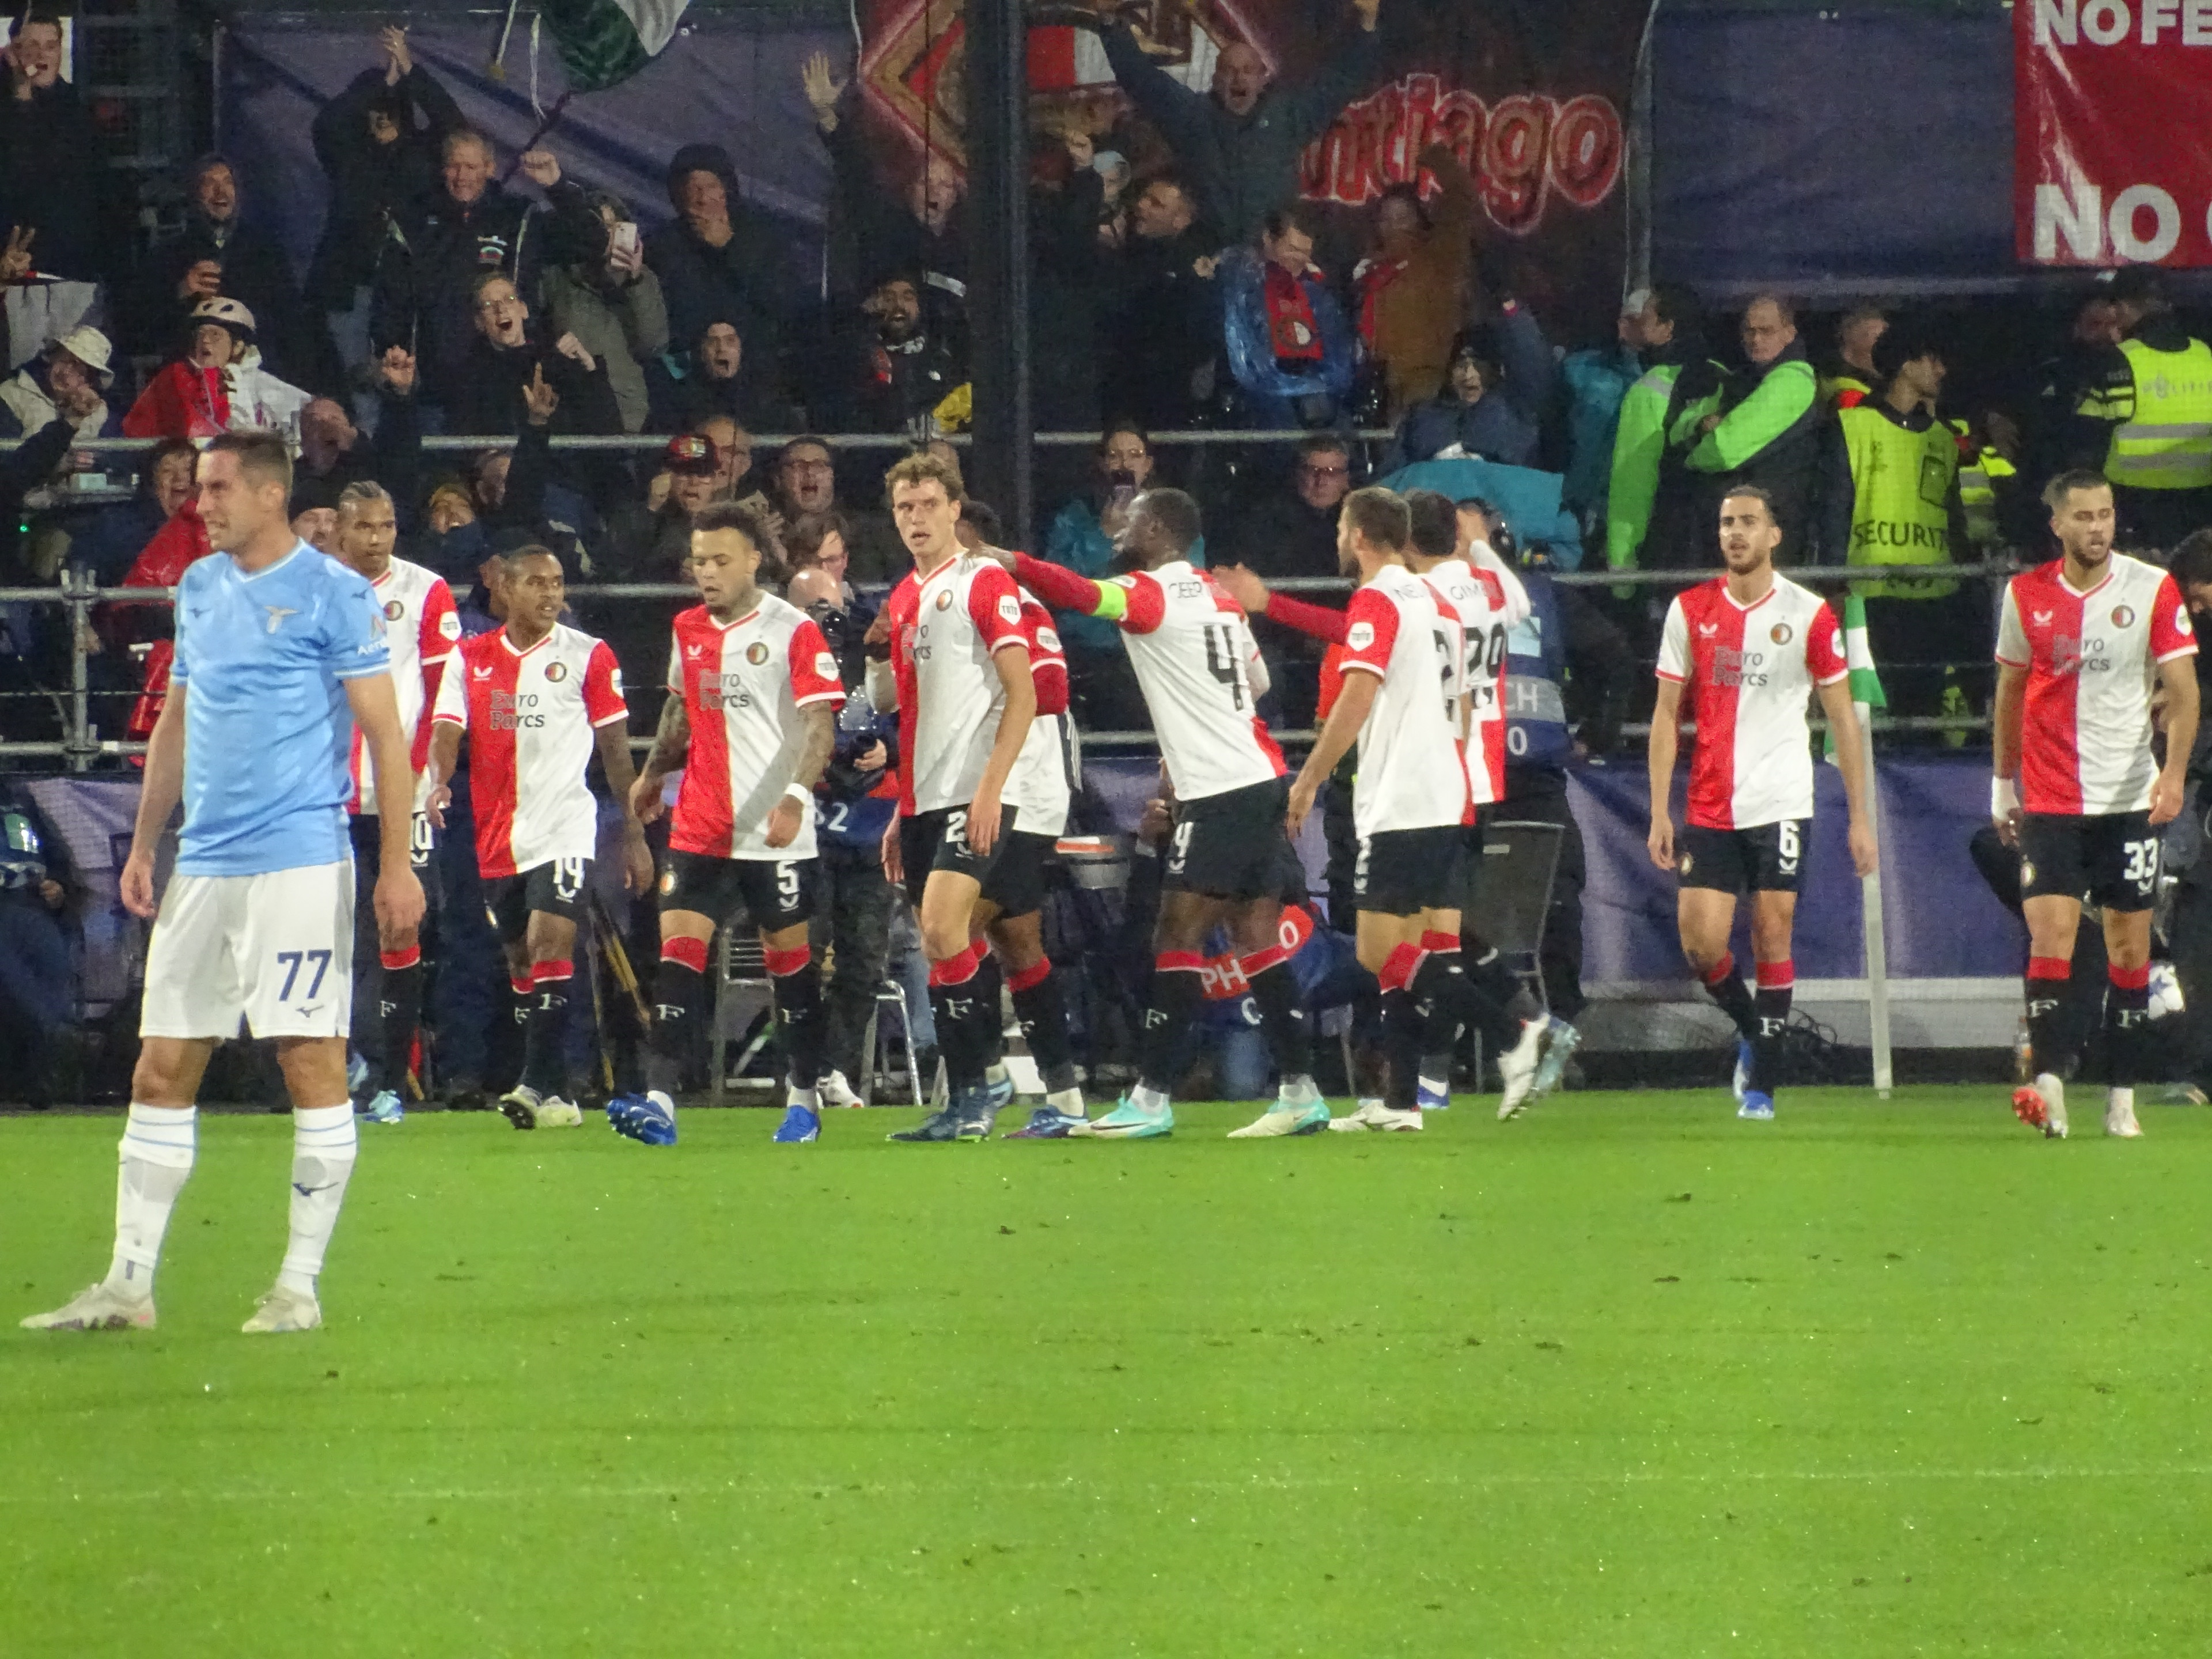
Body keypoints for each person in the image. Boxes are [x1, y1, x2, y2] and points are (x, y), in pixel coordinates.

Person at [22, 431, 424, 1336]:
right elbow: (177, 720)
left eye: (215, 489)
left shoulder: (335, 594)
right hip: (203, 861)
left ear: (270, 495)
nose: (198, 505)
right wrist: (145, 844)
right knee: (161, 1066)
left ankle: (297, 1288)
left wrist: (395, 862)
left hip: (298, 858)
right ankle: (129, 1286)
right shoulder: (200, 588)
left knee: (308, 1059)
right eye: (199, 489)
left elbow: (386, 740)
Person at [1001, 487, 1326, 1137]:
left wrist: (1006, 560)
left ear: (1157, 529)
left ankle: (1150, 1098)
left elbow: (1082, 594)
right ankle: (1301, 1091)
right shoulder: (1220, 598)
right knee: (1255, 936)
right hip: (1259, 776)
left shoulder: (1149, 595)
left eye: (1130, 518)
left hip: (1220, 789)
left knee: (1176, 936)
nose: (1117, 527)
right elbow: (1256, 685)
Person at [1269, 487, 1554, 1128]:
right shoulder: (1431, 599)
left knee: (1378, 953)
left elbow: (1357, 695)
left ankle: (1516, 1034)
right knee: (1418, 948)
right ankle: (1401, 1102)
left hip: (1401, 795)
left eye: (1343, 528)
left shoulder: (1378, 598)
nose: (1338, 538)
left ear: (1362, 537)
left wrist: (1311, 778)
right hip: (1446, 787)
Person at [615, 501, 845, 1146]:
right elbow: (683, 707)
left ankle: (803, 1099)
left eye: (721, 560)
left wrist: (797, 795)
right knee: (676, 961)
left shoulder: (793, 631)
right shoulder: (688, 628)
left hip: (775, 832)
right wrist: (654, 772)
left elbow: (820, 723)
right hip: (701, 827)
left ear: (753, 561)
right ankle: (660, 1100)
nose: (707, 573)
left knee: (791, 973)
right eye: (699, 562)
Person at [1645, 486, 1878, 1121]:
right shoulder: (1690, 610)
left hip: (1781, 799)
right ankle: (1757, 1029)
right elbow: (1667, 714)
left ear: (1775, 535)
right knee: (1701, 946)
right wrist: (1659, 809)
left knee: (1773, 930)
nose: (1735, 533)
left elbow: (1842, 721)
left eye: (1748, 522)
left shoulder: (1809, 614)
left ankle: (1764, 1085)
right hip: (1711, 803)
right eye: (1726, 524)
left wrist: (1860, 816)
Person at [1993, 471, 2199, 1140]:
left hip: (2128, 798)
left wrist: (2172, 776)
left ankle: (2121, 1095)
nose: (2097, 528)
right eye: (2083, 516)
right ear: (2057, 524)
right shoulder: (2025, 596)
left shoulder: (2151, 588)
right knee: (2050, 936)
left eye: (2105, 515)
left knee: (2128, 950)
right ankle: (2050, 1085)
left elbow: (2185, 692)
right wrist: (2002, 786)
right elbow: (2010, 694)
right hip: (2053, 799)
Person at [426, 544, 652, 1130]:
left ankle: (532, 1085)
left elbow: (615, 749)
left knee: (552, 942)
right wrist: (439, 782)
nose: (551, 594)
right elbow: (448, 727)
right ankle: (559, 1095)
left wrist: (632, 834)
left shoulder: (588, 655)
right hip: (500, 833)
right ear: (504, 587)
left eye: (557, 583)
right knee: (523, 962)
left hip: (565, 826)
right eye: (536, 583)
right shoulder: (469, 658)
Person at [866, 453, 1037, 1141]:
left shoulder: (983, 580)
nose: (916, 519)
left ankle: (988, 1078)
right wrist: (899, 807)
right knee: (943, 946)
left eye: (929, 505)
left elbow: (1022, 695)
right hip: (924, 796)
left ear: (955, 510)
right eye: (905, 508)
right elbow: (899, 707)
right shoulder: (906, 594)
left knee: (942, 930)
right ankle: (969, 1097)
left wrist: (991, 790)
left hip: (975, 790)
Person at [952, 501, 1089, 1134]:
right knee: (1016, 942)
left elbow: (1052, 691)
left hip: (1025, 795)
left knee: (949, 929)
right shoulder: (951, 604)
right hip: (995, 788)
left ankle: (984, 1076)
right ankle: (1063, 1100)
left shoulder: (1018, 604)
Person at [332, 480, 459, 1126]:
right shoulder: (316, 588)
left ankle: (387, 1079)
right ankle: (346, 1063)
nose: (378, 539)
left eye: (387, 526)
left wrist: (433, 775)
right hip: (328, 796)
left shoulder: (426, 591)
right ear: (340, 529)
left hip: (399, 795)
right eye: (366, 528)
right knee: (334, 933)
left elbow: (443, 694)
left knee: (400, 928)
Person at [1089, 0, 1385, 243]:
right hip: (1208, 258)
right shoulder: (1192, 117)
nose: (1238, 78)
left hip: (1269, 258)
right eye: (1229, 71)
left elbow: (1341, 82)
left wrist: (1367, 24)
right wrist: (1109, 23)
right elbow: (1141, 79)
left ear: (1261, 80)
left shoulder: (1288, 117)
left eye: (1247, 71)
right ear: (1216, 79)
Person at [1827, 314, 1976, 724]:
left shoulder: (1943, 438)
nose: (1942, 370)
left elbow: (1954, 520)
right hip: (1871, 596)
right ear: (1907, 365)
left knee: (1923, 715)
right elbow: (1833, 511)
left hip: (1933, 597)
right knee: (1871, 716)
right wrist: (1835, 586)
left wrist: (1962, 586)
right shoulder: (1853, 425)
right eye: (1932, 360)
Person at [308, 25, 463, 390]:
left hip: (411, 290)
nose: (381, 111)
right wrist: (384, 82)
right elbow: (327, 123)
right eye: (373, 104)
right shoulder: (347, 155)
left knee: (409, 380)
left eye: (390, 104)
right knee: (360, 382)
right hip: (353, 289)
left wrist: (410, 70)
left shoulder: (425, 153)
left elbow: (453, 125)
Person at [370, 127, 541, 416]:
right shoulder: (413, 222)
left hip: (500, 384)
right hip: (429, 387)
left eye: (472, 167)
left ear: (490, 168)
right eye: (454, 166)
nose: (462, 177)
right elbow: (389, 302)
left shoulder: (515, 217)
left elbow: (529, 296)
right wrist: (390, 357)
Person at [802, 52, 967, 351]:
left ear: (956, 194)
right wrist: (827, 114)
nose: (934, 192)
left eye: (944, 185)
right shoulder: (886, 230)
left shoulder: (976, 243)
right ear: (910, 189)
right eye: (925, 182)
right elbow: (857, 176)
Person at [133, 154, 331, 394]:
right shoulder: (169, 254)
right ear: (194, 193)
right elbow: (141, 326)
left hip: (258, 377)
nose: (221, 192)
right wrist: (181, 291)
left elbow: (289, 321)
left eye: (228, 182)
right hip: (192, 381)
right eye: (210, 183)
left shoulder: (265, 252)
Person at [0, 12, 123, 367]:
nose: (42, 55)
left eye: (51, 46)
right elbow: (18, 181)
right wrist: (20, 97)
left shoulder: (81, 112)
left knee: (77, 381)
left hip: (77, 279)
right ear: (14, 51)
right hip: (18, 283)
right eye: (31, 46)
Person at [1678, 296, 1830, 566]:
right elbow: (1685, 427)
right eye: (1750, 330)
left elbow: (1722, 450)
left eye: (1766, 331)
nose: (1756, 339)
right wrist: (1702, 427)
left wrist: (1691, 457)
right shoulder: (1743, 379)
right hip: (1745, 536)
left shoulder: (1793, 379)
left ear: (1789, 333)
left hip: (1768, 541)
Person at [2070, 266, 2212, 552]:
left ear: (2121, 308)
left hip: (2134, 512)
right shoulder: (2204, 354)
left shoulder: (2117, 361)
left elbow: (2083, 443)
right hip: (2200, 510)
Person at [529, 152, 670, 435]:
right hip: (570, 409)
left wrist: (635, 281)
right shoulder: (558, 277)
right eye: (598, 227)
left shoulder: (642, 280)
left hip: (626, 413)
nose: (604, 236)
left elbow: (653, 345)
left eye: (611, 227)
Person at [1041, 424, 1161, 733]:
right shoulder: (1074, 517)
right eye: (1115, 456)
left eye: (1134, 455)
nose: (1125, 465)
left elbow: (1186, 571)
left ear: (1147, 465)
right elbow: (1057, 583)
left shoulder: (1169, 516)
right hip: (1091, 643)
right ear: (1102, 465)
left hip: (1155, 638)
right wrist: (1103, 536)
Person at [1354, 146, 1478, 420]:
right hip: (1379, 386)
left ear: (1419, 220)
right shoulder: (1372, 270)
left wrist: (1435, 156)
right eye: (1387, 218)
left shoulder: (1438, 257)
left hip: (1425, 384)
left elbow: (1462, 203)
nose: (1394, 226)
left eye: (1403, 217)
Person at [1604, 283, 1711, 579]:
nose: (1638, 325)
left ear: (1668, 329)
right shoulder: (1723, 377)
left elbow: (1633, 485)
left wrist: (1622, 569)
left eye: (1647, 318)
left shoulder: (1650, 389)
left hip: (1663, 544)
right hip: (1712, 547)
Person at [1099, 173, 1221, 432]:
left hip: (1165, 388)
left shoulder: (1187, 262)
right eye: (1144, 197)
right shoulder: (1131, 245)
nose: (1141, 206)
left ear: (1181, 221)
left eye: (1157, 204)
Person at [645, 142, 782, 371]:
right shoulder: (660, 245)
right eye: (693, 188)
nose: (702, 198)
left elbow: (778, 304)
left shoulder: (760, 237)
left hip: (752, 368)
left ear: (726, 190)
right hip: (685, 372)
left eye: (711, 186)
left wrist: (729, 248)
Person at [1218, 204, 1355, 429]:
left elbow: (1338, 355)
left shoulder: (1316, 290)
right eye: (1291, 249)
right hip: (1261, 397)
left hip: (1313, 393)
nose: (1298, 259)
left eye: (1305, 252)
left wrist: (1319, 386)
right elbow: (1249, 362)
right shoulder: (1243, 283)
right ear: (1268, 240)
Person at [447, 270, 623, 442]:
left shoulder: (557, 361)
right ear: (479, 322)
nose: (500, 310)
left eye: (509, 300)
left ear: (524, 310)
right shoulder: (471, 375)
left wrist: (590, 368)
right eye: (488, 305)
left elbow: (609, 431)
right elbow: (467, 444)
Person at [123, 298, 313, 444]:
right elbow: (139, 428)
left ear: (237, 346)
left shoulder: (262, 384)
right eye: (200, 335)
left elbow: (305, 413)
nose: (205, 341)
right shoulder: (173, 376)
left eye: (216, 335)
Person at [1392, 309, 1555, 468]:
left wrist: (1510, 307)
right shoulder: (1422, 417)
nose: (1469, 375)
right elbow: (1391, 477)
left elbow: (1532, 359)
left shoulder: (1517, 412)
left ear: (1496, 370)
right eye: (1461, 365)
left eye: (1479, 365)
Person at [1560, 289, 1654, 529]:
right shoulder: (1580, 369)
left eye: (1637, 321)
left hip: (1634, 507)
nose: (1625, 327)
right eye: (1624, 319)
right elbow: (1555, 430)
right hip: (1575, 503)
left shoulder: (1669, 378)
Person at [827, 271, 961, 435]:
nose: (899, 305)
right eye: (889, 299)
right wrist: (861, 320)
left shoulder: (943, 359)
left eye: (908, 298)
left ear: (919, 306)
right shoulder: (859, 355)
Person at [0, 324, 115, 440]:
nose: (65, 372)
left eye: (79, 370)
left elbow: (110, 454)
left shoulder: (97, 412)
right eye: (64, 361)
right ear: (52, 357)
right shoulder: (10, 395)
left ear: (90, 382)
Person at [1820, 304, 1887, 407]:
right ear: (1849, 336)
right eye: (1877, 338)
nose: (1884, 345)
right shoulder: (1847, 390)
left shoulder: (1884, 378)